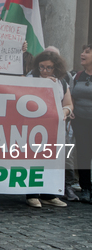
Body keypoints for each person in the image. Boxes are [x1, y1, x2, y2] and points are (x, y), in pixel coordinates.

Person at [25, 51, 71, 207]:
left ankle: (48, 194)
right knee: (34, 160)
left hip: (55, 128)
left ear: (55, 68)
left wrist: (64, 112)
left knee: (52, 161)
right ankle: (32, 194)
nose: (44, 71)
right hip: (34, 127)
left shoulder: (62, 82)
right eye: (41, 67)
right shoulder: (31, 79)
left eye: (49, 68)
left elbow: (68, 104)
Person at [71, 43, 92, 203]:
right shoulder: (77, 76)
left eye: (87, 52)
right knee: (84, 154)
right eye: (82, 51)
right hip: (81, 122)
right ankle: (85, 188)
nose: (82, 54)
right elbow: (70, 96)